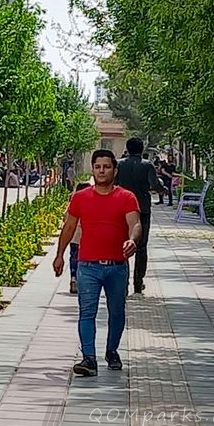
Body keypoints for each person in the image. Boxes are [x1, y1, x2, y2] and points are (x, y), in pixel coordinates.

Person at [53, 149, 141, 377]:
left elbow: (135, 223)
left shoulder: (126, 197)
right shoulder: (80, 197)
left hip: (117, 267)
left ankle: (112, 351)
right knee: (87, 312)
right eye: (98, 167)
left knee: (117, 312)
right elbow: (69, 227)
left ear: (115, 170)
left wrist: (132, 240)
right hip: (88, 266)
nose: (102, 171)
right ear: (92, 170)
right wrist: (60, 254)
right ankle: (89, 358)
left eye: (107, 167)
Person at [116, 137, 163, 294]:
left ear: (127, 148)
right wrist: (162, 189)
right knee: (141, 247)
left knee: (122, 245)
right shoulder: (147, 165)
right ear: (142, 149)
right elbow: (154, 184)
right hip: (142, 209)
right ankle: (138, 282)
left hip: (121, 209)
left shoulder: (119, 164)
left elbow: (113, 184)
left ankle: (123, 282)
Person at [68, 182, 92, 294]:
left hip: (74, 236)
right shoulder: (92, 204)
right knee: (85, 260)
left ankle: (74, 278)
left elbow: (66, 219)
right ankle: (83, 280)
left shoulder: (73, 203)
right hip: (87, 237)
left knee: (74, 257)